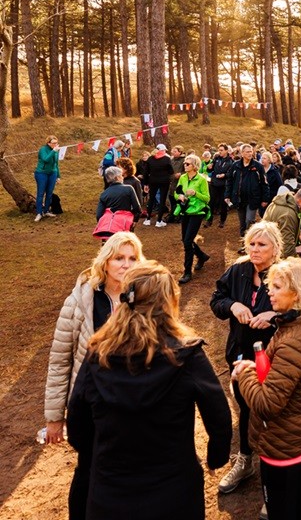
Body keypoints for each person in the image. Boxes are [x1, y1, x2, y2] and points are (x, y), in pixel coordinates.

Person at [66, 260, 231, 519]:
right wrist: (216, 457)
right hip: (174, 491)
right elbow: (219, 415)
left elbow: (76, 422)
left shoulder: (98, 355)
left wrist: (98, 454)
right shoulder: (186, 356)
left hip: (111, 490)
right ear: (168, 302)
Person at [43, 232, 144, 519]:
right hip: (91, 406)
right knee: (88, 470)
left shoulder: (144, 299)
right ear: (106, 261)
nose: (126, 265)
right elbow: (60, 360)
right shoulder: (80, 301)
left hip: (133, 404)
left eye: (132, 258)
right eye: (119, 258)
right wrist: (54, 417)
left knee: (130, 471)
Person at [232, 258, 301, 520]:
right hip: (296, 434)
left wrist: (244, 374)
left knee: (281, 508)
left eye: (278, 286)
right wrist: (258, 366)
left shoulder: (294, 341)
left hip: (282, 441)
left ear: (297, 293)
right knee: (299, 498)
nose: (270, 291)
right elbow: (285, 377)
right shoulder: (300, 325)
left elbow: (268, 404)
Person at [210, 221, 283, 495]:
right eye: (251, 243)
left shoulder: (285, 273)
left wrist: (275, 317)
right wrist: (233, 305)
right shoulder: (238, 271)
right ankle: (245, 460)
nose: (254, 249)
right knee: (246, 407)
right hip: (239, 354)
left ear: (275, 249)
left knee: (271, 413)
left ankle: (274, 478)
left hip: (276, 356)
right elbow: (216, 300)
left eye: (261, 244)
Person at [172, 155, 211, 284]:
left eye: (187, 164)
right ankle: (202, 256)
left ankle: (187, 272)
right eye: (185, 163)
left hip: (197, 212)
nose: (185, 165)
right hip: (185, 211)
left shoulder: (201, 180)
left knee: (188, 241)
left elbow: (207, 198)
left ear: (194, 165)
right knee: (185, 240)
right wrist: (180, 196)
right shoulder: (183, 178)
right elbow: (176, 192)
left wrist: (195, 194)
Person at [262, 184, 301, 259]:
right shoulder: (289, 215)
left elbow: (278, 230)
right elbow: (287, 250)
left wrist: (297, 233)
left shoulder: (279, 203)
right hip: (274, 260)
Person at [229, 144, 269, 244]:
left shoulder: (258, 166)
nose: (250, 153)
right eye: (247, 152)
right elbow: (229, 181)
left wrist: (265, 198)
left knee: (249, 221)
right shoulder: (235, 165)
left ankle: (249, 243)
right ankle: (244, 243)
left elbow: (264, 183)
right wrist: (227, 195)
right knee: (242, 223)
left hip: (253, 199)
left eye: (251, 151)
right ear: (242, 153)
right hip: (239, 199)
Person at [96, 166, 141, 236]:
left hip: (109, 227)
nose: (123, 177)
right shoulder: (129, 189)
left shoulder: (104, 194)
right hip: (124, 224)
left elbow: (99, 215)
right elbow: (137, 208)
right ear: (117, 177)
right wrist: (135, 219)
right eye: (121, 175)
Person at [143, 144, 174, 227]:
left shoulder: (150, 159)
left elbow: (146, 172)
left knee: (151, 199)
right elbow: (171, 171)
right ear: (162, 150)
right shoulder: (167, 159)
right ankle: (159, 221)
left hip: (152, 181)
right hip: (164, 181)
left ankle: (148, 219)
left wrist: (145, 183)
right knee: (162, 200)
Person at [34, 135, 60, 222]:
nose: (55, 145)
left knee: (49, 193)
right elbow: (46, 159)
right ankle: (39, 212)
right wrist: (53, 151)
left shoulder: (56, 150)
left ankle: (46, 210)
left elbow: (56, 164)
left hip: (52, 173)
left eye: (56, 143)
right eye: (53, 143)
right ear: (48, 143)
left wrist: (58, 176)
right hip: (41, 173)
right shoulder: (43, 150)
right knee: (41, 193)